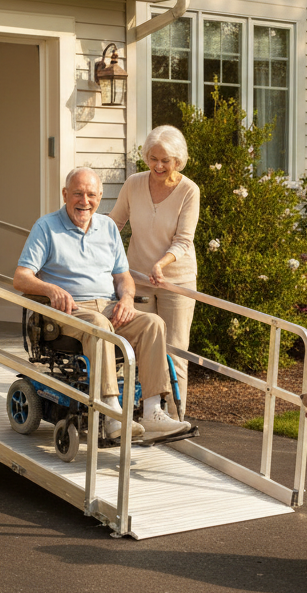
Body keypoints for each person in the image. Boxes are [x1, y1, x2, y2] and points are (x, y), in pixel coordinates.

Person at [13, 167, 191, 440]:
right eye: (78, 194)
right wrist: (50, 289)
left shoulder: (108, 228)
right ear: (64, 195)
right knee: (99, 325)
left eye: (92, 195)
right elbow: (21, 278)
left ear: (100, 198)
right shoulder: (46, 227)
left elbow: (123, 277)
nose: (85, 201)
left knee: (153, 323)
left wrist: (128, 298)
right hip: (68, 311)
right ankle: (110, 414)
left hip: (108, 305)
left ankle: (153, 411)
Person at [109, 125, 199, 418]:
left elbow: (184, 240)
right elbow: (114, 224)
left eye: (165, 160)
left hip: (176, 282)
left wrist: (162, 263)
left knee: (175, 353)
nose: (158, 166)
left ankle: (175, 419)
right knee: (136, 348)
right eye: (152, 158)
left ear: (178, 160)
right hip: (137, 280)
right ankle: (144, 411)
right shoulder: (134, 184)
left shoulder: (188, 190)